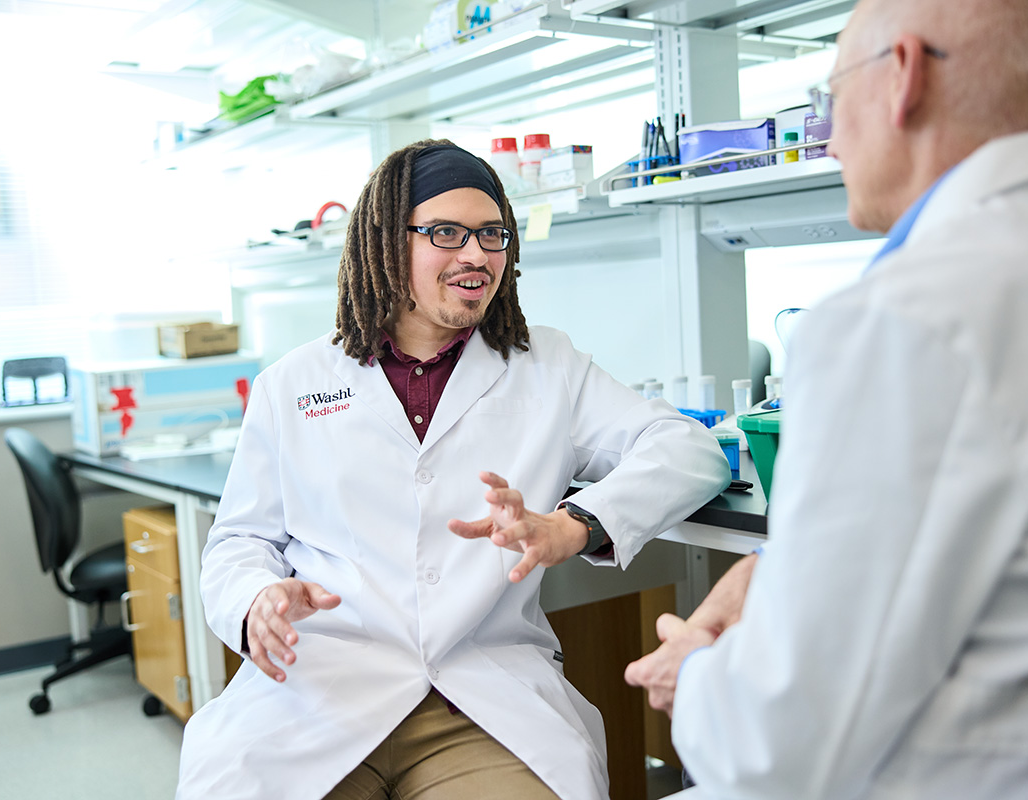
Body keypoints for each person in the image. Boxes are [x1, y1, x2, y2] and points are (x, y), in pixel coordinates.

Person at [175, 140, 732, 800]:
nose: (476, 255)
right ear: (387, 243)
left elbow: (687, 449)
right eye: (445, 232)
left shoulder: (546, 367)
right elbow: (240, 542)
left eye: (491, 233)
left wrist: (578, 524)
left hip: (479, 697)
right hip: (318, 687)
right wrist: (256, 603)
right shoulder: (292, 384)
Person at [624, 0, 1028, 797]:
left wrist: (694, 679)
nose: (827, 136)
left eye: (830, 100)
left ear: (902, 77)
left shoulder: (902, 318)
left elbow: (781, 747)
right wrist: (778, 567)